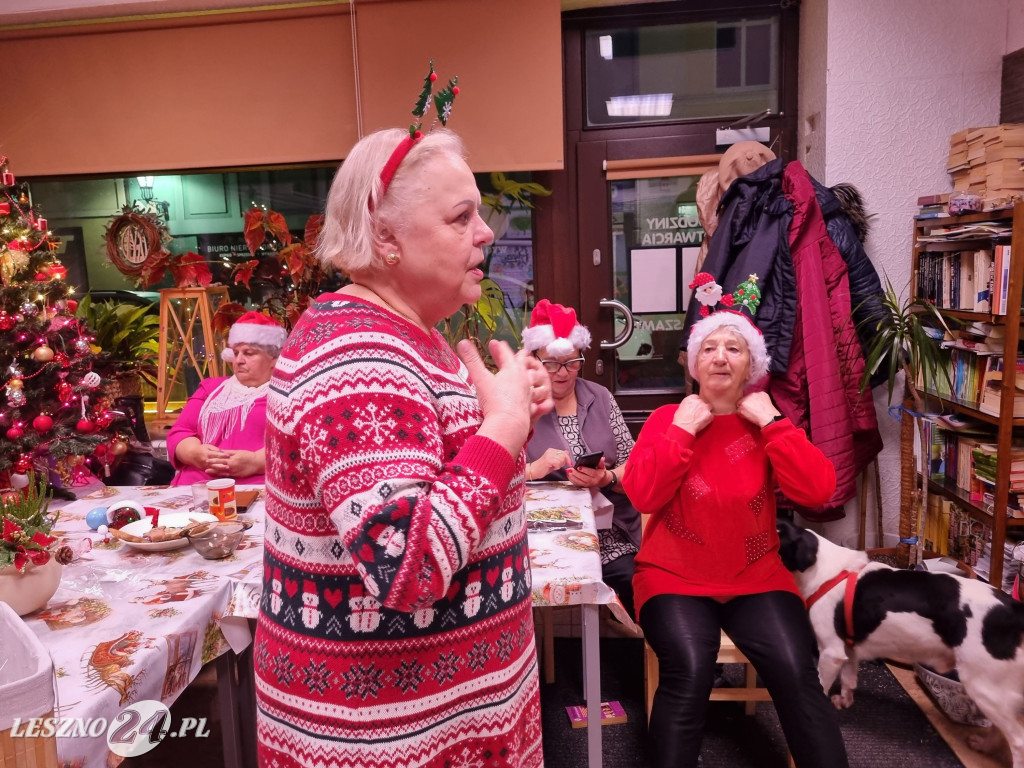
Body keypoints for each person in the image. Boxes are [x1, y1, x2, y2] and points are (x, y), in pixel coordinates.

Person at [254, 127, 552, 768]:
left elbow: (448, 473)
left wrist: (505, 413)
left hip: (435, 723)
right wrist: (500, 430)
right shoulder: (354, 351)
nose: (486, 233)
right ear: (384, 237)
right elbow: (405, 563)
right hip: (385, 740)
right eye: (460, 216)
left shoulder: (408, 334)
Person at [623, 302, 850, 768]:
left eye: (734, 348)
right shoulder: (668, 420)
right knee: (689, 667)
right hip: (672, 577)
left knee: (795, 669)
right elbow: (643, 495)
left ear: (754, 365)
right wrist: (682, 431)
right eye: (708, 347)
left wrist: (772, 423)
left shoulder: (767, 423)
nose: (721, 357)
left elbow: (819, 491)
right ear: (692, 361)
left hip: (756, 576)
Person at [522, 299, 640, 619]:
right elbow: (495, 473)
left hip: (611, 533)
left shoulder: (599, 397)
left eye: (571, 362)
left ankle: (633, 649)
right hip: (545, 538)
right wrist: (534, 469)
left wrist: (606, 478)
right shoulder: (520, 405)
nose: (562, 373)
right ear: (533, 360)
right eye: (551, 363)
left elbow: (634, 467)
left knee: (632, 581)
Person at [166, 311, 286, 486]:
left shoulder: (288, 395)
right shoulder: (211, 389)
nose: (238, 360)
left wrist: (256, 462)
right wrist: (194, 453)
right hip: (196, 488)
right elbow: (180, 432)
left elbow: (299, 448)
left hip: (257, 489)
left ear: (274, 358)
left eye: (249, 353)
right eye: (236, 352)